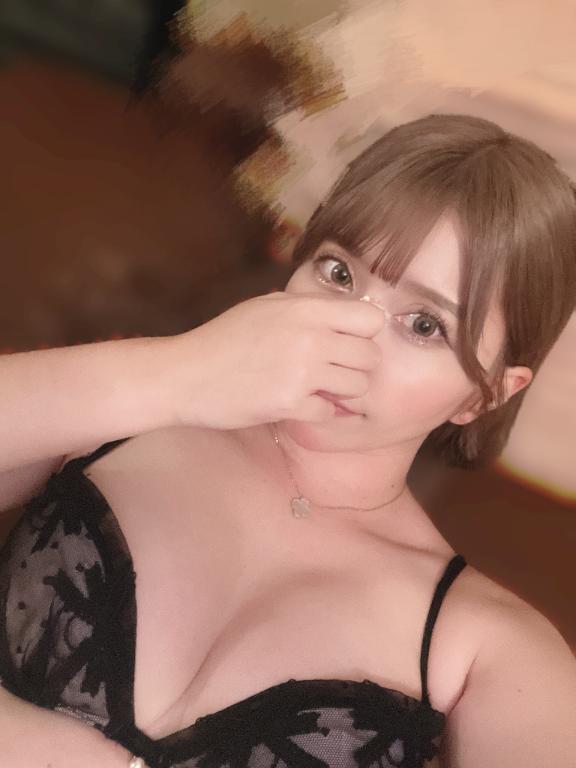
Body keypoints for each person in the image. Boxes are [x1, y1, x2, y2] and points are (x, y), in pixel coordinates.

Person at [1, 112, 576, 768]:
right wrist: (175, 373)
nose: (346, 335)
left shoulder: (492, 651)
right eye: (339, 274)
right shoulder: (122, 412)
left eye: (424, 324)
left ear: (486, 394)